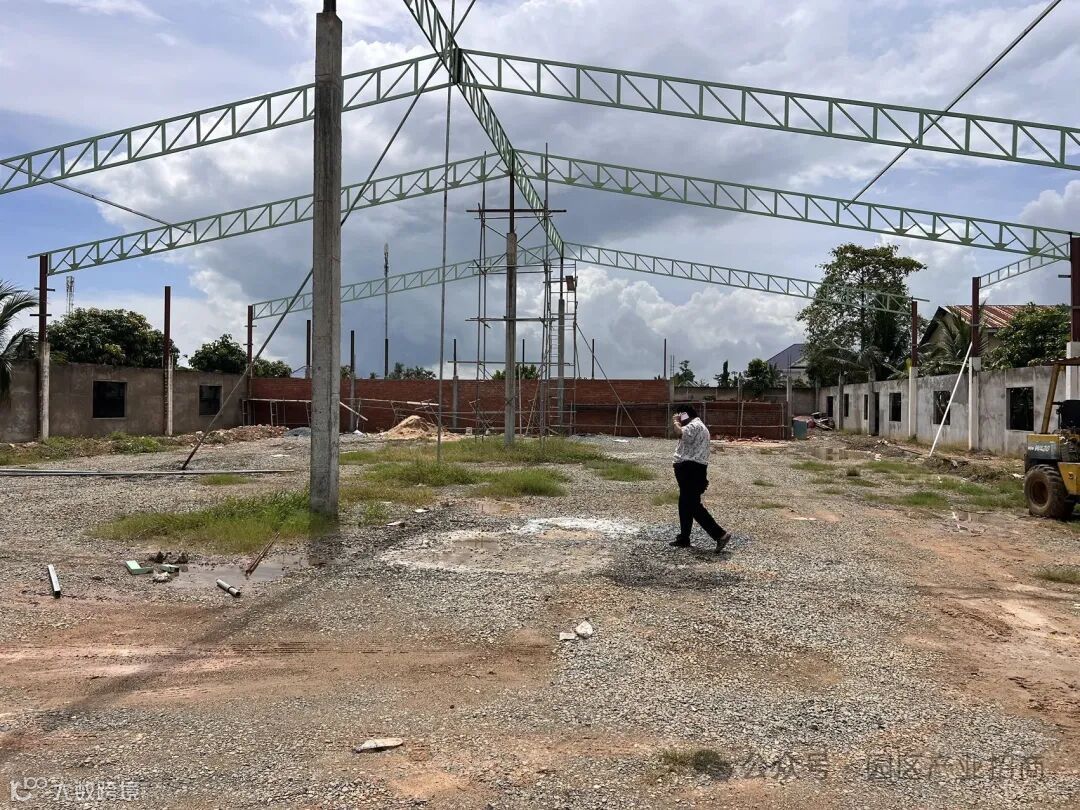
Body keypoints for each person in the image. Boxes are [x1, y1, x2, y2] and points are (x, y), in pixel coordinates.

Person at [669, 404, 731, 552]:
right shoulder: (698, 426)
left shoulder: (694, 425)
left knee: (691, 504)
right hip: (694, 468)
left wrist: (676, 421)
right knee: (685, 504)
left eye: (680, 415)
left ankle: (720, 534)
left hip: (690, 468)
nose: (679, 418)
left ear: (685, 414)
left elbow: (679, 432)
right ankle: (684, 537)